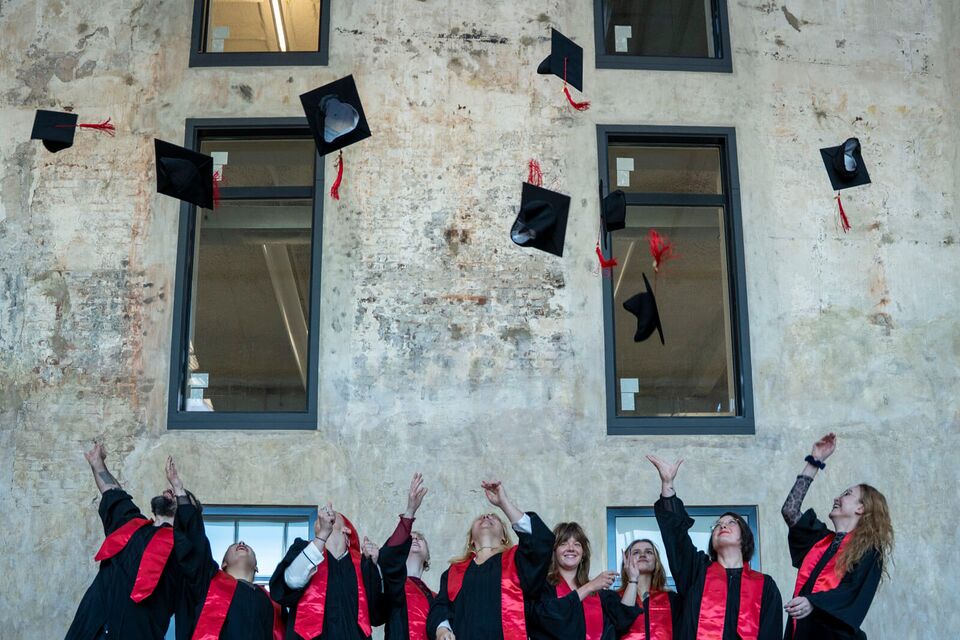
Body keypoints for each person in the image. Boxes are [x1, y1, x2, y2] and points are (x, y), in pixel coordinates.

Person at [648, 455, 783, 640]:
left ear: (745, 536)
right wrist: (668, 485)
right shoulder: (696, 572)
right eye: (717, 525)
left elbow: (771, 634)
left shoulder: (765, 586)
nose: (722, 525)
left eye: (731, 522)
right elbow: (676, 537)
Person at [780, 433, 893, 640]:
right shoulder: (819, 540)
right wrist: (814, 461)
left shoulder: (869, 551)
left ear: (861, 508)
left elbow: (851, 593)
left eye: (847, 494)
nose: (837, 498)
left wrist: (813, 602)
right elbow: (790, 510)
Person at [66, 442, 184, 640]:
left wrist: (180, 490)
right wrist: (98, 463)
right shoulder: (132, 526)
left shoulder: (185, 551)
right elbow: (113, 494)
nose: (169, 490)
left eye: (180, 496)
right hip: (88, 631)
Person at [165, 457, 283, 639]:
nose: (241, 542)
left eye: (246, 545)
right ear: (223, 564)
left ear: (257, 567)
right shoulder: (209, 582)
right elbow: (196, 547)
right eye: (234, 545)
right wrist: (180, 492)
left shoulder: (272, 604)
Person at [426, 480, 554, 640]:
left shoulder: (517, 560)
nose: (486, 516)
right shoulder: (455, 572)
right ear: (471, 539)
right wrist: (442, 630)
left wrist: (504, 503)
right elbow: (440, 607)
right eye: (480, 518)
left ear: (504, 537)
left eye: (494, 517)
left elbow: (541, 541)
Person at [268, 498, 383, 639]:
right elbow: (291, 581)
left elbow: (377, 614)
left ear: (346, 530)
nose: (325, 514)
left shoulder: (361, 564)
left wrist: (373, 566)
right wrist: (323, 534)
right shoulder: (303, 550)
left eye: (333, 514)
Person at [527, 521, 642, 639]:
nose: (571, 548)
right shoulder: (542, 588)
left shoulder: (600, 595)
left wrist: (633, 579)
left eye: (577, 544)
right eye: (563, 543)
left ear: (583, 554)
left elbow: (622, 619)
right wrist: (589, 587)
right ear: (554, 551)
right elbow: (544, 618)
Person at [364, 473, 433, 639]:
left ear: (427, 557)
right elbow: (390, 555)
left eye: (420, 538)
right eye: (410, 538)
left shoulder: (436, 598)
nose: (414, 539)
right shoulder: (393, 585)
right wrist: (410, 510)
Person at [618, 539, 681, 639]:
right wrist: (633, 579)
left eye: (649, 552)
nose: (642, 555)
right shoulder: (615, 598)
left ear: (656, 561)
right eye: (636, 552)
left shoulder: (672, 599)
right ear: (626, 561)